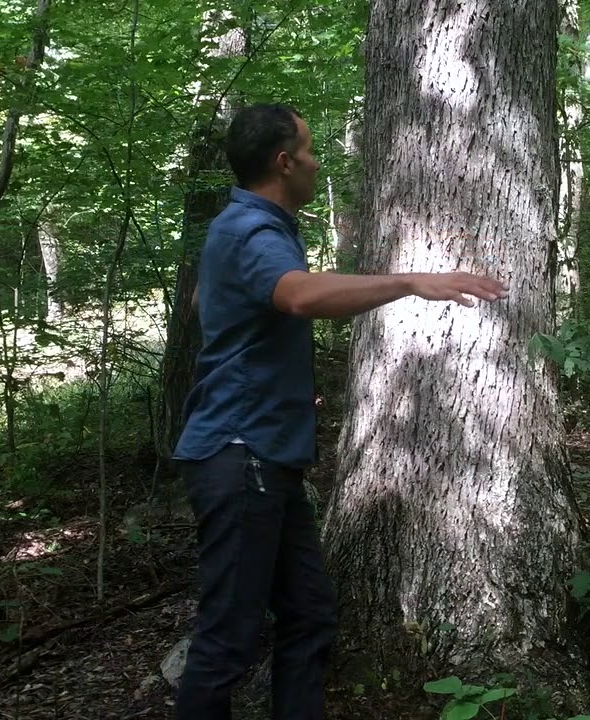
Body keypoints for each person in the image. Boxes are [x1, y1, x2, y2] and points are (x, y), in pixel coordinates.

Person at [172, 103, 509, 720]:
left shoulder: (249, 229)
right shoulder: (251, 230)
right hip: (241, 453)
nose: (316, 159)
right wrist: (412, 281)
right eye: (309, 149)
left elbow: (214, 301)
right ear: (283, 162)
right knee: (227, 638)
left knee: (308, 615)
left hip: (265, 451)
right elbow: (298, 296)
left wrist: (280, 383)